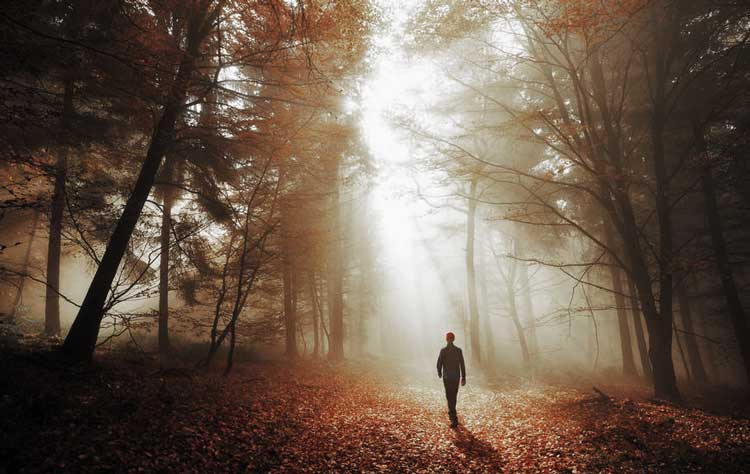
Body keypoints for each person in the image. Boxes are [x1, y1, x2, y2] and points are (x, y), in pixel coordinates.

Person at [436, 331, 466, 428]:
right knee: (454, 395)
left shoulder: (443, 350)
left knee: (449, 396)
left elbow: (439, 363)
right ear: (453, 339)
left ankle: (453, 416)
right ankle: (452, 414)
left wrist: (440, 372)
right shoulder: (458, 350)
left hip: (447, 377)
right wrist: (463, 377)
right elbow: (462, 364)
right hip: (455, 377)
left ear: (446, 339)